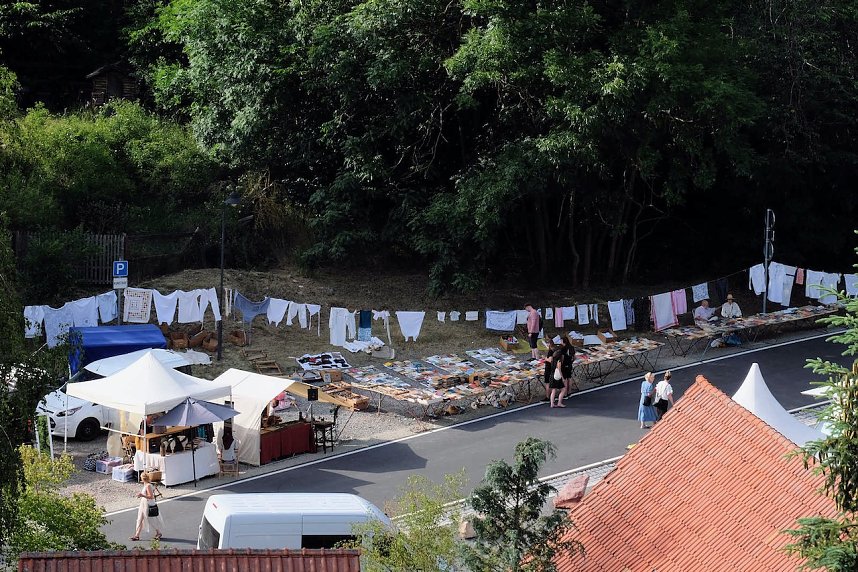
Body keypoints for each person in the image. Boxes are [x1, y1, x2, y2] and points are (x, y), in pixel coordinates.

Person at [130, 472, 163, 541]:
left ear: (142, 478)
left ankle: (158, 532)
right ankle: (137, 535)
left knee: (150, 519)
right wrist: (141, 496)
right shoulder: (146, 485)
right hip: (143, 504)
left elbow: (151, 496)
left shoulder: (148, 485)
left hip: (148, 505)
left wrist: (142, 495)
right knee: (140, 519)